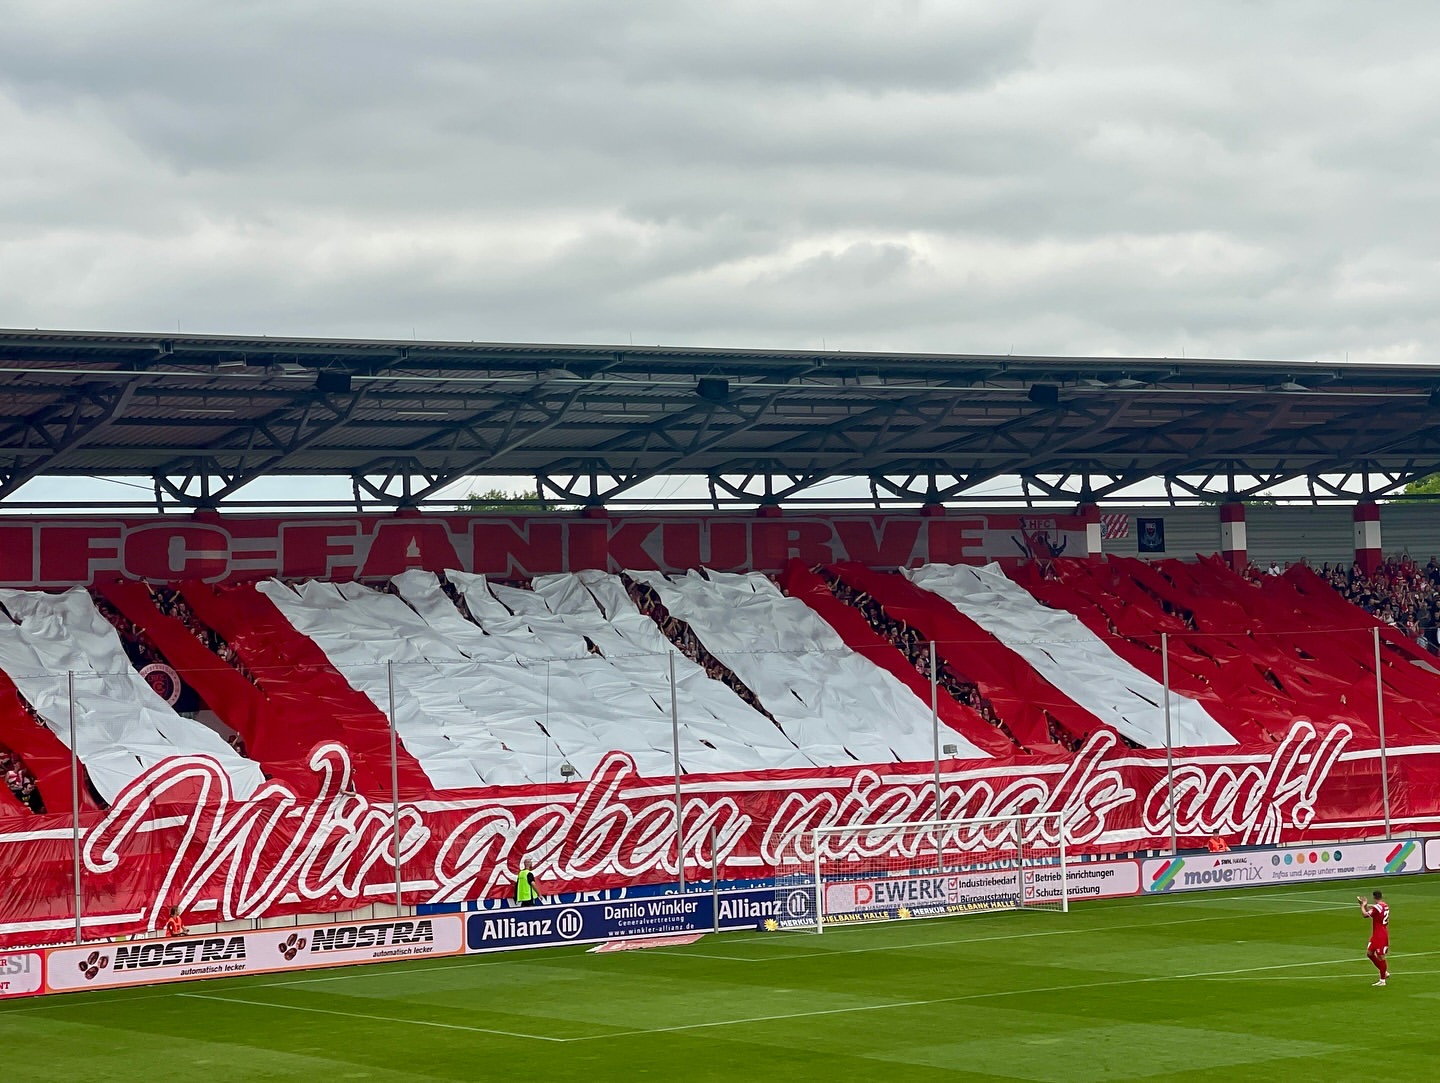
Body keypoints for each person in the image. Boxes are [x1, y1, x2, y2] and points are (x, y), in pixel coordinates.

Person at [1357, 890, 1389, 986]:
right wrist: (1366, 906)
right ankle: (1384, 972)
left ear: (1374, 897)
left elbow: (1365, 915)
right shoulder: (1385, 905)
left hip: (1380, 935)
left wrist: (1362, 906)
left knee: (1381, 956)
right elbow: (1372, 914)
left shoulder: (1377, 907)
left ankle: (1382, 980)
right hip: (1377, 934)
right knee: (1369, 953)